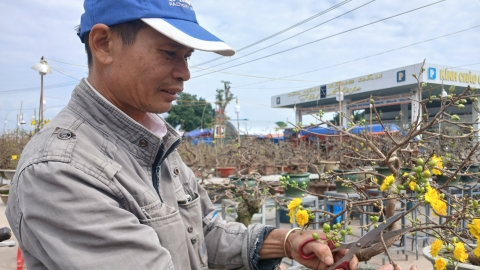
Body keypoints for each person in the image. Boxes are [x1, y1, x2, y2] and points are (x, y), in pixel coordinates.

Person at [5, 0, 360, 269]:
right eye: (169, 53)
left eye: (187, 56)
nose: (184, 73)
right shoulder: (60, 172)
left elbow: (202, 232)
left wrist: (285, 241)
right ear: (103, 44)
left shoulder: (154, 143)